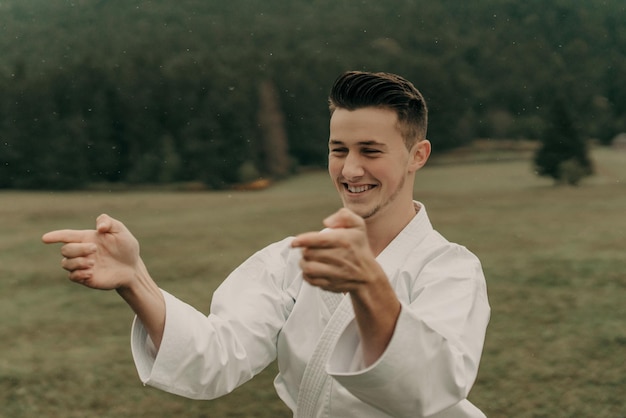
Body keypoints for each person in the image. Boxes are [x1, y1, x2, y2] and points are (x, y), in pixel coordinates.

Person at [42, 71, 490, 417]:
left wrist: (368, 286)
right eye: (339, 150)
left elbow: (428, 390)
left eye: (370, 151)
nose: (351, 170)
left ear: (418, 155)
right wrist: (135, 280)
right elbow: (214, 359)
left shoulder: (449, 269)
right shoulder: (290, 259)